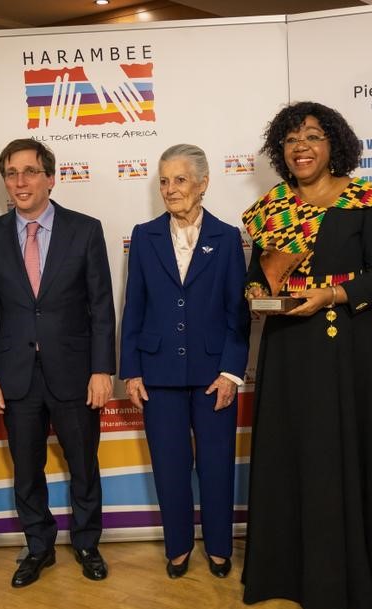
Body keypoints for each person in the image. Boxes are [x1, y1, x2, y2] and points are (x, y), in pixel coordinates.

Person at [241, 101, 372, 609]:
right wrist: (256, 292)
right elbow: (258, 273)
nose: (302, 147)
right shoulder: (273, 206)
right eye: (292, 139)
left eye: (313, 136)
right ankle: (287, 574)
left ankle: (345, 577)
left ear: (333, 144)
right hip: (286, 349)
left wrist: (334, 295)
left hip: (344, 349)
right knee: (290, 455)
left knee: (338, 454)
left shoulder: (365, 200)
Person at [0, 138, 115, 587]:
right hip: (16, 376)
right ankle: (38, 547)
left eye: (30, 171)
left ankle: (87, 543)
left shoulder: (85, 230)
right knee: (26, 469)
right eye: (11, 173)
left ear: (51, 178)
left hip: (74, 372)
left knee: (83, 465)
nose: (20, 181)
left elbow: (101, 307)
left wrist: (102, 369)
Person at [119, 144, 250, 579]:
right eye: (164, 181)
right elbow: (133, 306)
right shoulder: (144, 235)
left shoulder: (227, 237)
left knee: (216, 464)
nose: (170, 189)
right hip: (157, 372)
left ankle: (218, 547)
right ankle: (177, 547)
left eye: (179, 180)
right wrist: (131, 369)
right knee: (169, 466)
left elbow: (237, 313)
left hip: (215, 374)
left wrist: (231, 372)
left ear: (203, 183)